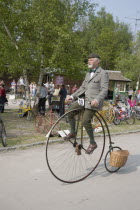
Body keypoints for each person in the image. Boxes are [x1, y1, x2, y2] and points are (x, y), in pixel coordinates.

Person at [65, 53, 109, 154]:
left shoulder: (103, 73)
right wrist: (72, 96)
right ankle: (73, 132)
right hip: (84, 100)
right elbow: (83, 88)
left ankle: (93, 143)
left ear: (97, 61)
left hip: (93, 103)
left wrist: (97, 99)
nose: (89, 61)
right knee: (70, 111)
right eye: (88, 60)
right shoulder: (88, 73)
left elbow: (104, 90)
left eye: (91, 60)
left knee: (85, 121)